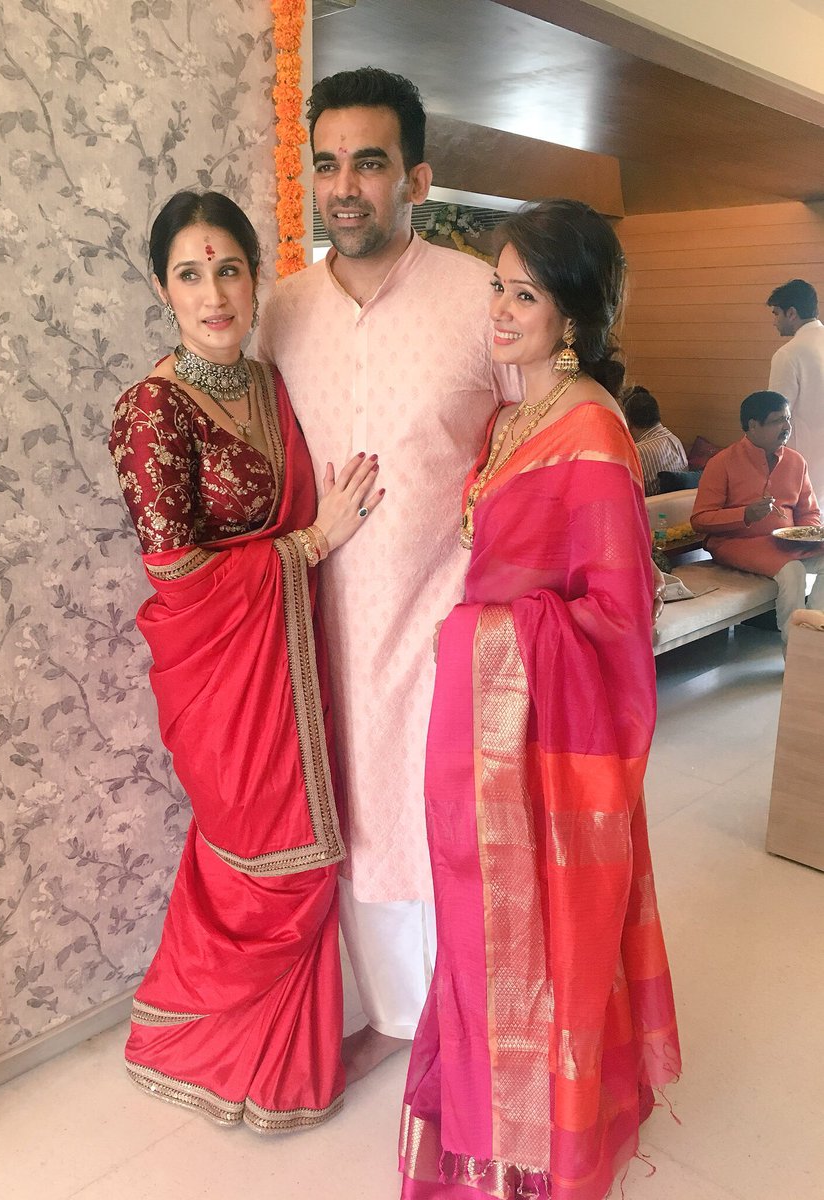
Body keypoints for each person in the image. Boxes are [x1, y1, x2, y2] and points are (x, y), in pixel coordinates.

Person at [399, 200, 681, 1200]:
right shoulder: (514, 413)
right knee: (480, 929)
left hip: (539, 737)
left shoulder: (593, 434)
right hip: (489, 731)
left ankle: (539, 1145)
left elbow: (618, 616)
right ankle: (491, 1116)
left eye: (525, 294)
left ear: (572, 316)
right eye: (498, 286)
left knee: (543, 943)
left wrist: (488, 640)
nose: (501, 309)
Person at [256, 67, 520, 1081]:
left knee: (449, 818)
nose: (344, 187)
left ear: (416, 177)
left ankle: (468, 1020)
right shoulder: (281, 310)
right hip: (319, 626)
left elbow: (540, 425)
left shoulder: (477, 297)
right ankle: (397, 1015)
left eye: (368, 163)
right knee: (352, 816)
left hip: (447, 620)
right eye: (326, 165)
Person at [108, 190, 383, 1132]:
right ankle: (189, 1040)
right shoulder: (151, 412)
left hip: (289, 659)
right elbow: (178, 573)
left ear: (256, 277)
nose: (214, 293)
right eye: (190, 274)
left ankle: (281, 1067)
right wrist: (312, 544)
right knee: (269, 866)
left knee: (307, 857)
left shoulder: (268, 382)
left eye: (229, 269)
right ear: (162, 288)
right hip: (219, 676)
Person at [691, 390, 824, 643]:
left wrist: (806, 535)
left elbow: (809, 512)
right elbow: (700, 519)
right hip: (736, 543)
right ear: (753, 425)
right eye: (777, 421)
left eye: (788, 419)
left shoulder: (796, 461)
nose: (786, 427)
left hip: (785, 543)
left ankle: (814, 638)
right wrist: (745, 514)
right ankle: (794, 650)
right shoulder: (722, 462)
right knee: (793, 571)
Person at [767, 279, 824, 501]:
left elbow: (775, 418)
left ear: (791, 313)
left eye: (776, 314)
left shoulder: (789, 354)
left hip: (804, 465)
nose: (774, 322)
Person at [623, 383, 688, 494]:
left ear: (627, 420)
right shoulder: (674, 440)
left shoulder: (637, 453)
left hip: (652, 504)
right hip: (680, 503)